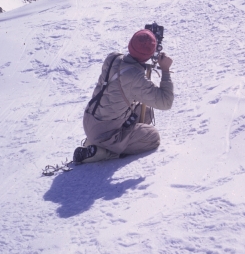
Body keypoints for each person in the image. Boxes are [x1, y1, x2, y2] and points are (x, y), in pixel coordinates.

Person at [73, 29, 174, 164]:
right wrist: (166, 70)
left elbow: (129, 71)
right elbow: (166, 102)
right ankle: (103, 151)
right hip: (105, 132)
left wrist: (143, 45)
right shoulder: (134, 77)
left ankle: (96, 140)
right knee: (153, 137)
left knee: (147, 113)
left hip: (91, 120)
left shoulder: (113, 57)